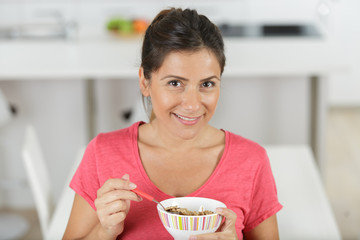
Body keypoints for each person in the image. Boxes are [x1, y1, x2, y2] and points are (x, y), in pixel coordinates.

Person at [63, 8, 282, 240]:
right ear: (145, 81)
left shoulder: (251, 161)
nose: (192, 105)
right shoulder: (103, 154)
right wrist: (104, 232)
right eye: (175, 83)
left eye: (207, 84)